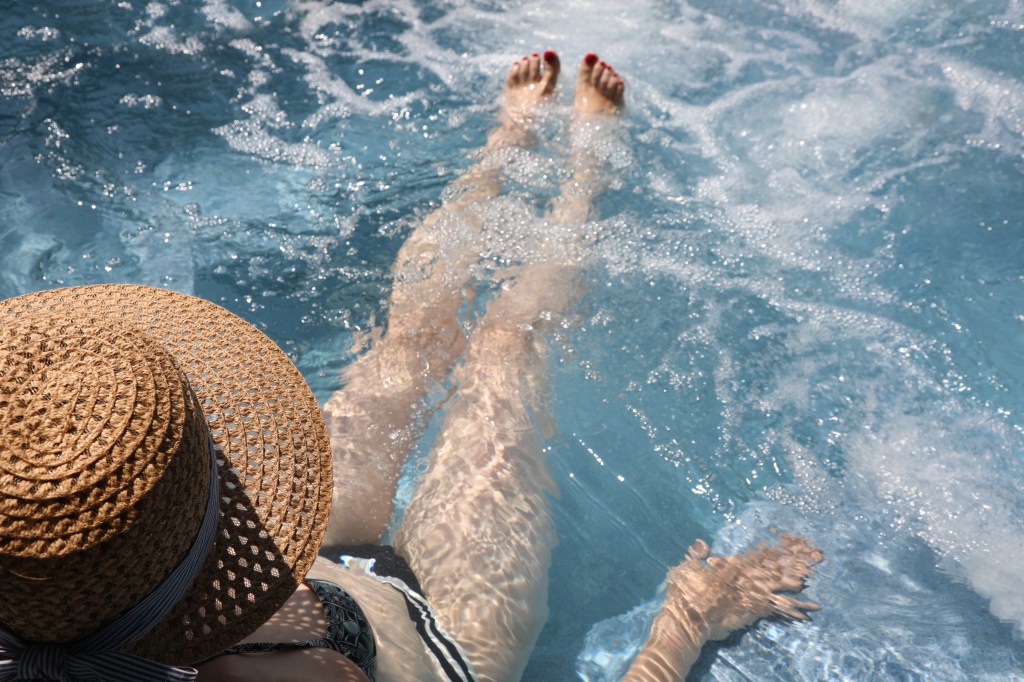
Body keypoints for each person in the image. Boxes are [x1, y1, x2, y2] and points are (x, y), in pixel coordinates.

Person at [0, 52, 820, 682]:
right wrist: (690, 618)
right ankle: (584, 177)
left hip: (304, 568)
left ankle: (506, 147)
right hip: (440, 639)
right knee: (506, 349)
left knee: (413, 341)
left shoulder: (41, 567)